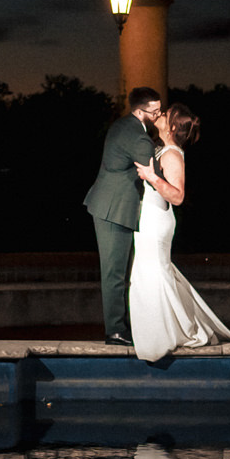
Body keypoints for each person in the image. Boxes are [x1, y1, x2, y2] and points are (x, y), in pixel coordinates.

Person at [128, 104, 230, 362]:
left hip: (157, 221)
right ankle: (161, 332)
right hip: (150, 219)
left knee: (154, 273)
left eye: (166, 114)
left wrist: (150, 177)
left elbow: (177, 196)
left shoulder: (172, 155)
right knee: (151, 273)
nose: (162, 114)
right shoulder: (165, 150)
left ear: (173, 127)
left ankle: (170, 334)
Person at [83, 86, 164, 346]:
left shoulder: (123, 124)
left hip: (109, 204)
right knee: (114, 273)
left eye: (160, 109)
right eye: (155, 111)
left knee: (119, 272)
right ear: (140, 111)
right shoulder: (139, 139)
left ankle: (122, 326)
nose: (159, 115)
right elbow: (156, 177)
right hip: (113, 210)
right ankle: (115, 331)